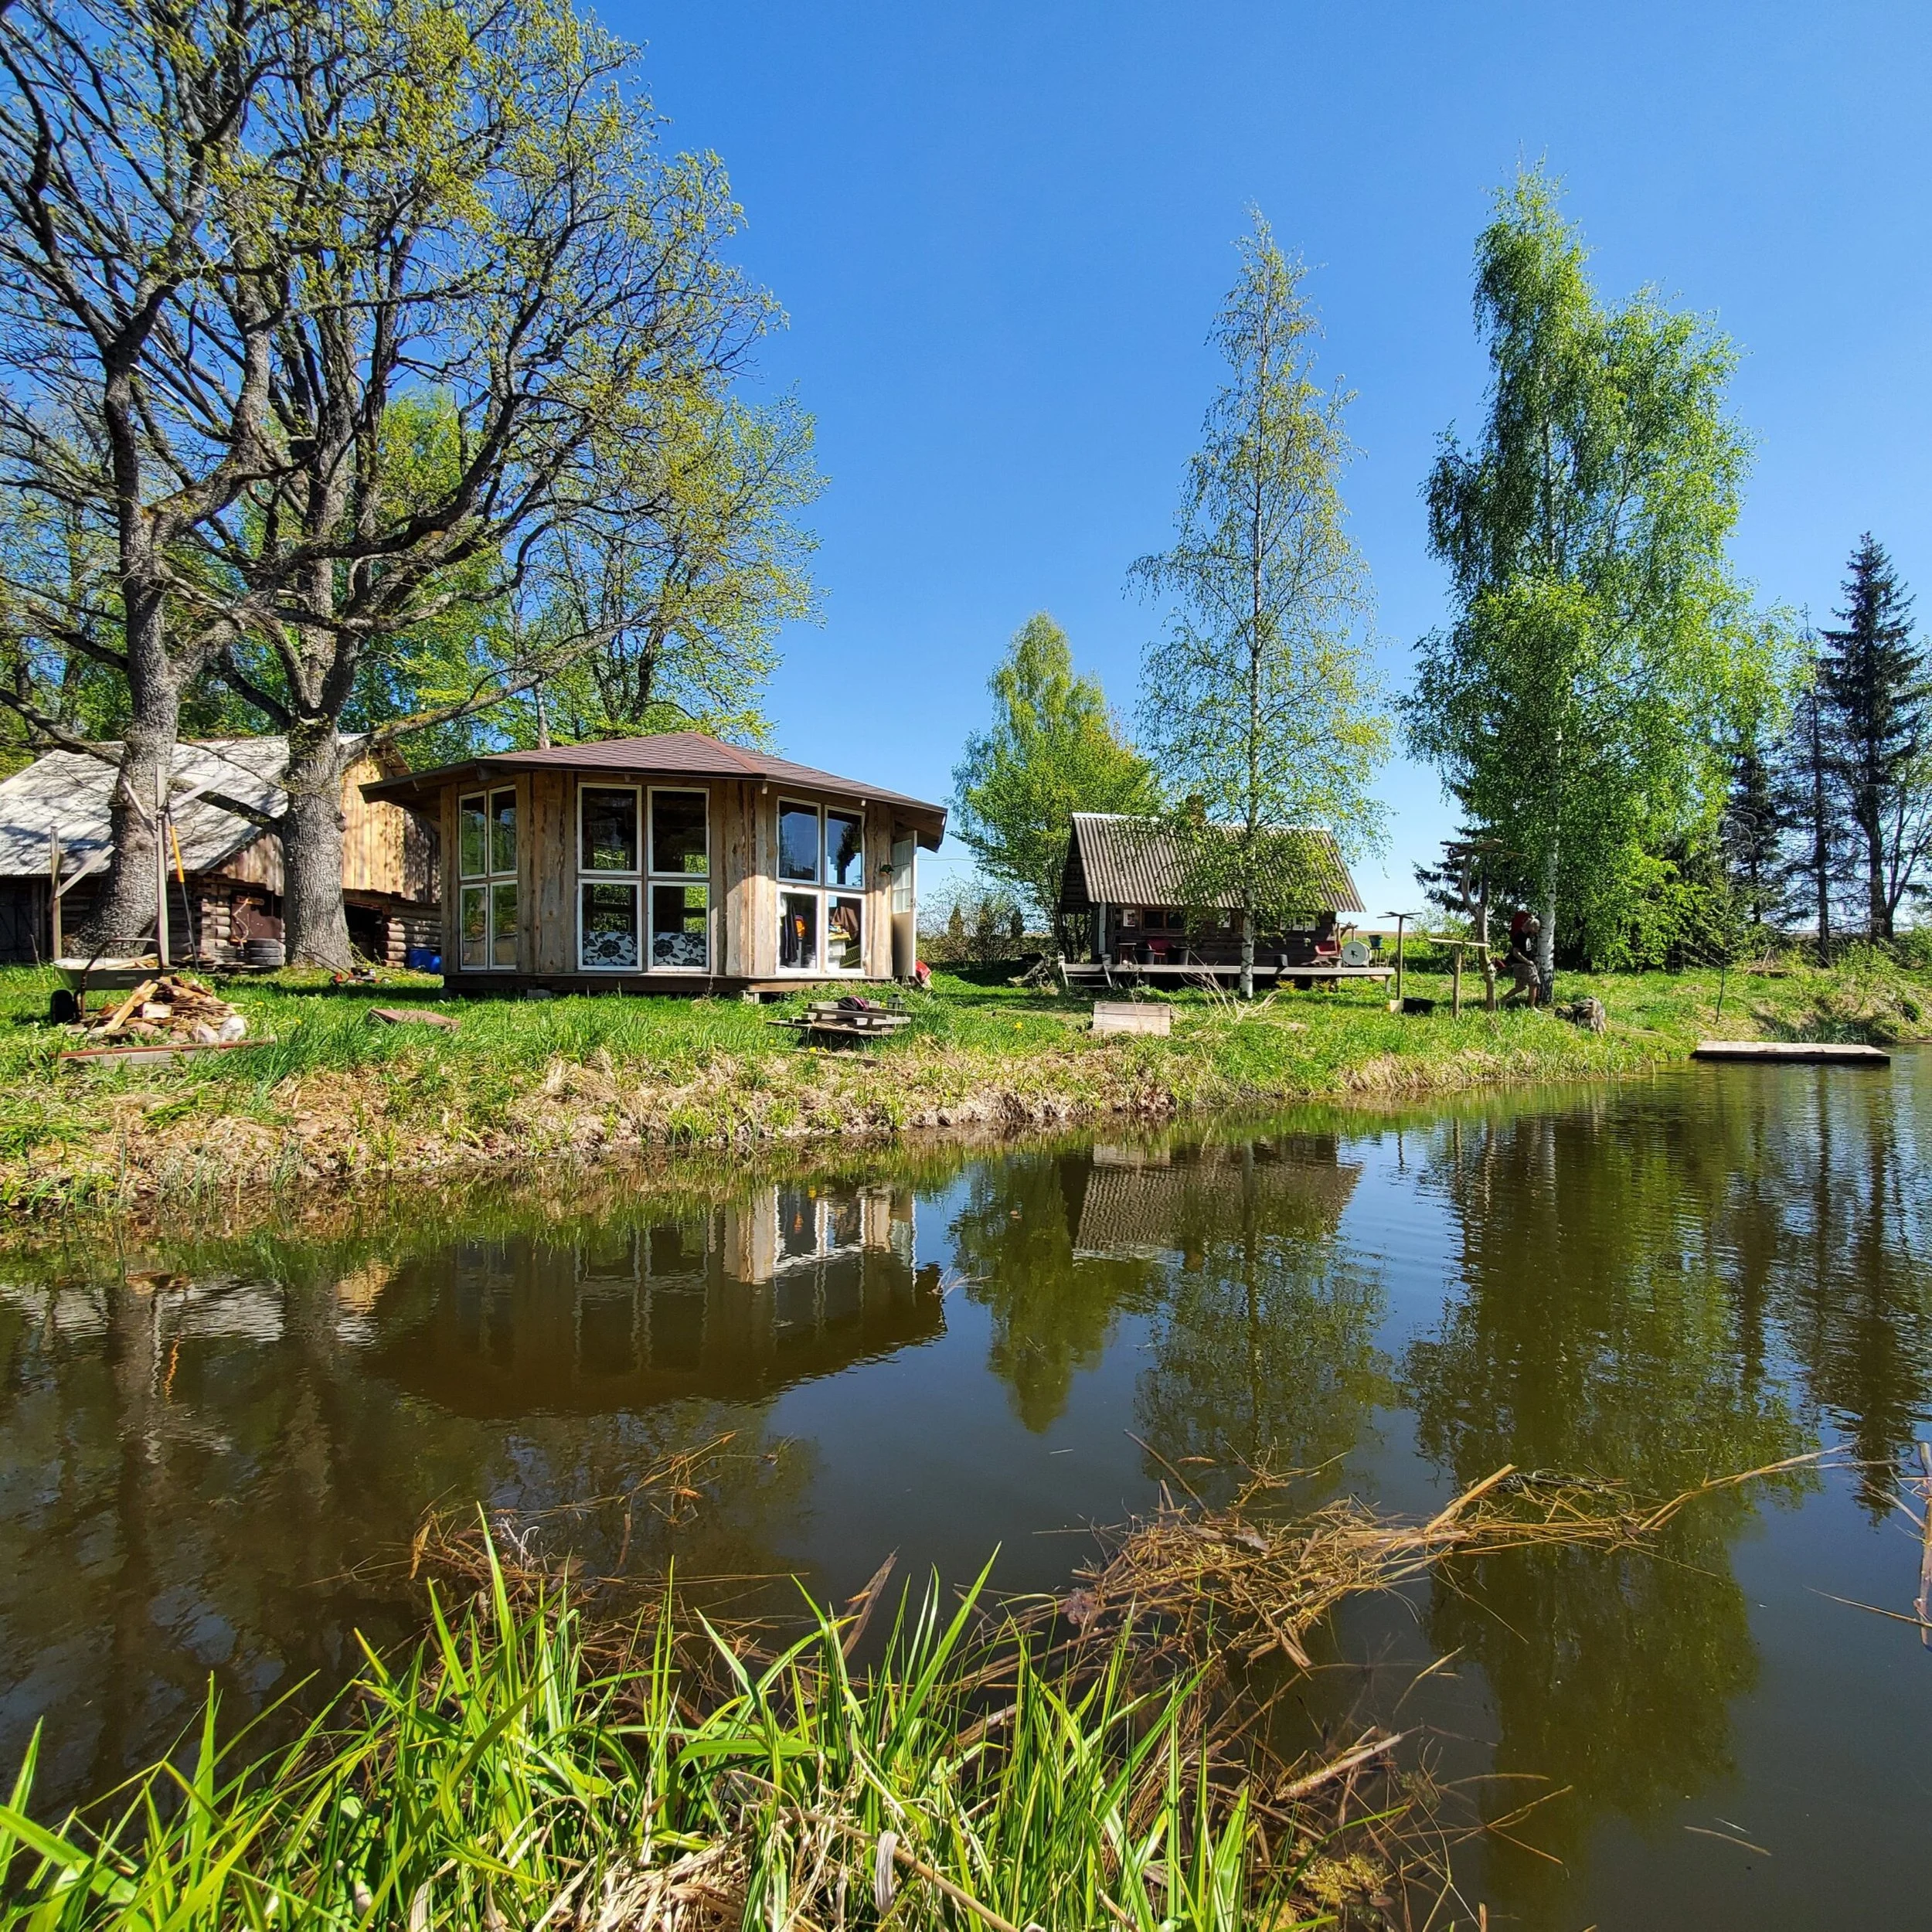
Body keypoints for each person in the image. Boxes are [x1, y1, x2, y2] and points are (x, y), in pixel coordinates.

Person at [1502, 914, 1543, 1007]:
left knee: (1521, 987)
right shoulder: (1520, 936)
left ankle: (1503, 999)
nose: (1537, 931)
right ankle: (1532, 1007)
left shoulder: (1527, 935)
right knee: (1534, 984)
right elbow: (1516, 953)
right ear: (1531, 927)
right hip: (1523, 965)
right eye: (1536, 928)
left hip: (1521, 964)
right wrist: (1528, 962)